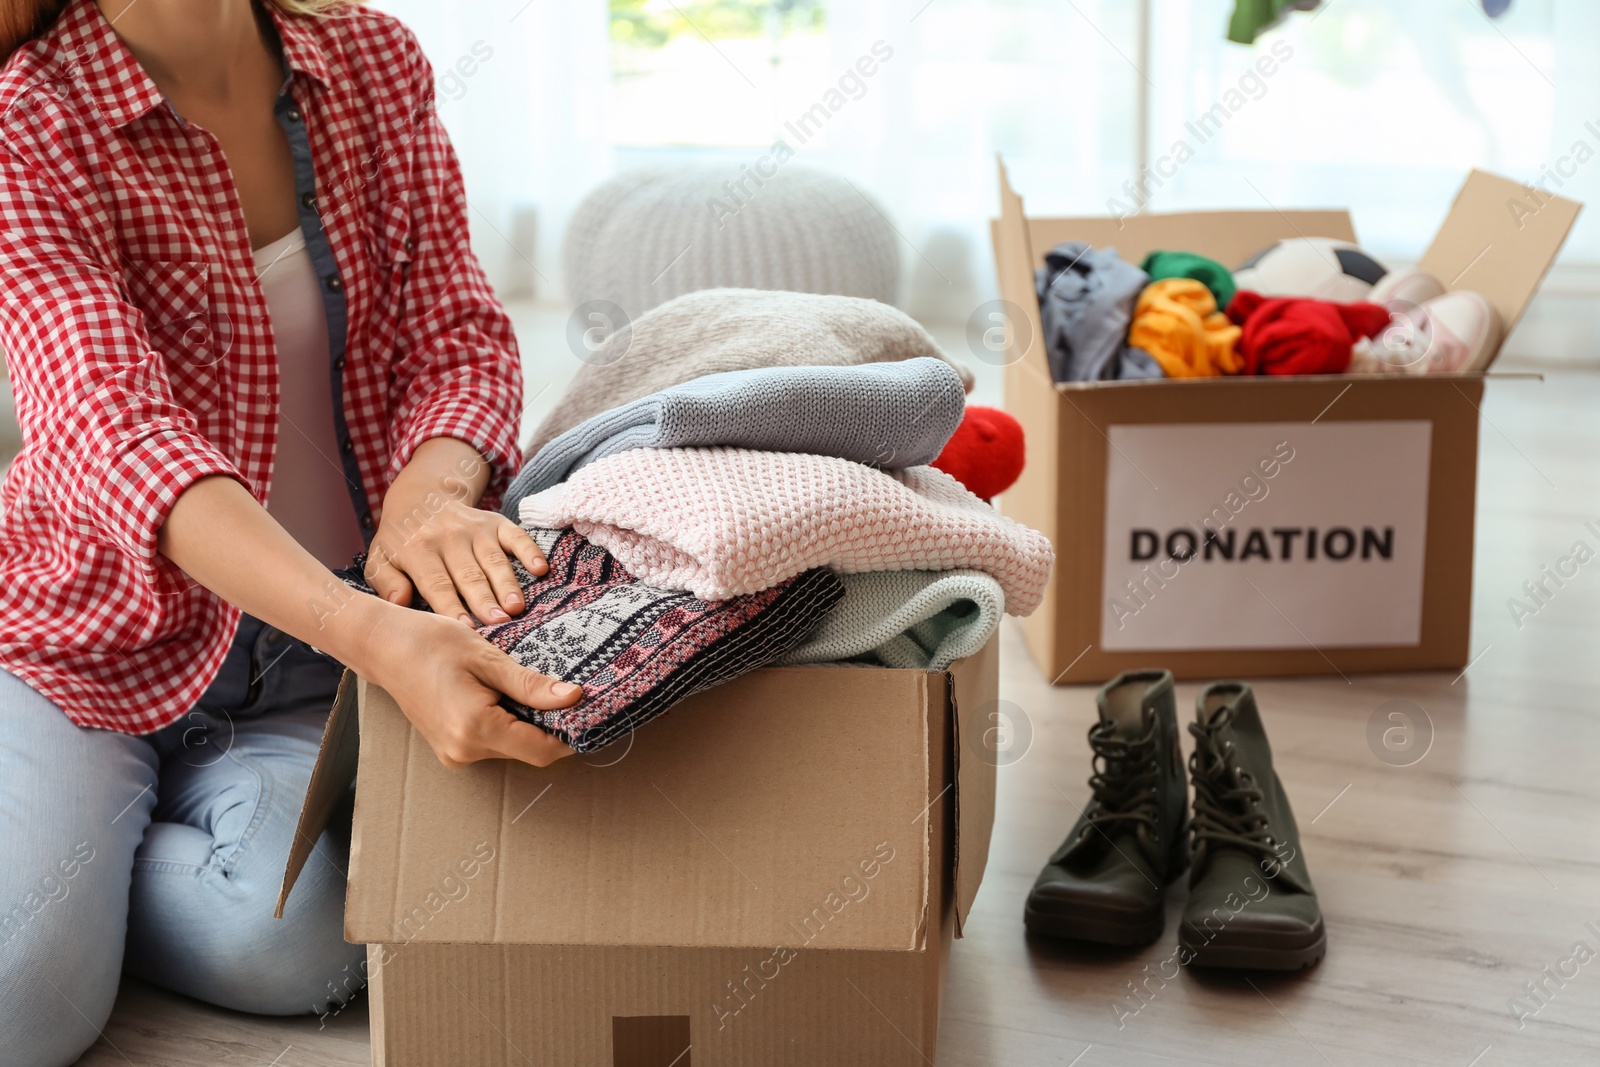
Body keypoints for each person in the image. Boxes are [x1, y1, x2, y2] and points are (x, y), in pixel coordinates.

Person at [0, 1, 578, 1062]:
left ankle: (93, 862)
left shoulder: (369, 60)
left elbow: (458, 332)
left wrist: (429, 500)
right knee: (21, 1006)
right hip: (79, 647)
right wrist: (373, 632)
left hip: (295, 668)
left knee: (302, 951)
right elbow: (109, 424)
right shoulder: (28, 117)